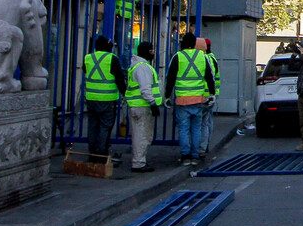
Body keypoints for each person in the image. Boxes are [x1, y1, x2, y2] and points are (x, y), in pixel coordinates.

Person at [164, 32, 214, 166]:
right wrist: (212, 94)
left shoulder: (177, 57)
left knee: (183, 129)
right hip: (198, 99)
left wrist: (167, 96)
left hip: (182, 100)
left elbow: (170, 78)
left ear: (182, 43)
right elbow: (209, 76)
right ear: (194, 44)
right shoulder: (202, 57)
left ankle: (185, 156)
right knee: (196, 129)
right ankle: (195, 156)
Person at [82, 35, 128, 163]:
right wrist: (125, 93)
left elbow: (85, 71)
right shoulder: (112, 58)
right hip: (107, 99)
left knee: (92, 126)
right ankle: (102, 154)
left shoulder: (88, 57)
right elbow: (119, 78)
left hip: (91, 98)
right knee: (105, 127)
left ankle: (92, 153)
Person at [126, 41, 162, 173]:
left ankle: (139, 161)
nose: (153, 53)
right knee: (142, 135)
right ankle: (139, 163)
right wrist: (153, 103)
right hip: (143, 106)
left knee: (139, 134)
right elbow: (145, 89)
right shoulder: (143, 67)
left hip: (138, 106)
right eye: (151, 50)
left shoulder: (137, 65)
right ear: (147, 51)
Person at [201, 37, 219, 157]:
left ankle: (204, 146)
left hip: (206, 95)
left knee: (204, 123)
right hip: (211, 94)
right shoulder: (212, 58)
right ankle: (205, 145)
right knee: (207, 121)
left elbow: (209, 77)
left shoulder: (207, 59)